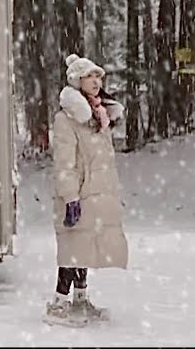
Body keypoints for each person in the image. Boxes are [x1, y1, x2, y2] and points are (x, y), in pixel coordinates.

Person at [43, 53, 129, 326]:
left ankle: (80, 298)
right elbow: (64, 164)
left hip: (95, 193)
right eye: (89, 76)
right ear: (76, 81)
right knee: (72, 248)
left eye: (98, 76)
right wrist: (70, 197)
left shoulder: (99, 116)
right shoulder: (66, 119)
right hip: (77, 193)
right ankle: (58, 303)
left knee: (85, 246)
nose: (95, 81)